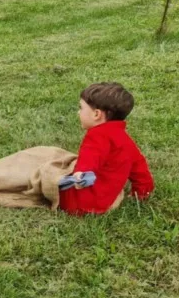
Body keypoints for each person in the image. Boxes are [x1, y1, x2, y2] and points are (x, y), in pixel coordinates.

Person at [59, 82, 154, 215]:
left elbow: (90, 158)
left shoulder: (96, 136)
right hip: (106, 202)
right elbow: (140, 169)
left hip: (80, 203)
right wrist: (142, 192)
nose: (78, 112)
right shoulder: (125, 139)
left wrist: (81, 173)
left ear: (96, 114)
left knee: (49, 172)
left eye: (81, 108)